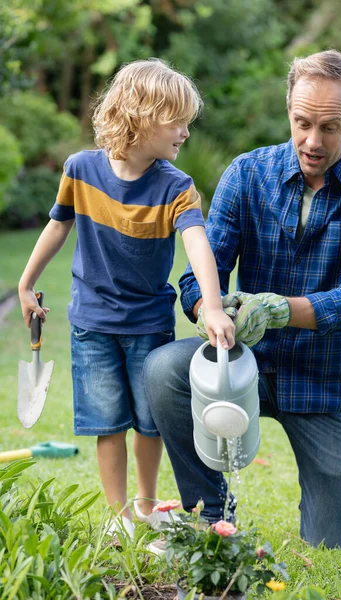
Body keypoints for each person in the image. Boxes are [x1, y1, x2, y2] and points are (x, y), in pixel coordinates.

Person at [143, 49, 341, 548]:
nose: (312, 140)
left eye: (330, 127)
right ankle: (209, 516)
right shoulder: (247, 175)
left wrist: (276, 308)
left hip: (331, 378)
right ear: (288, 109)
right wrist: (211, 310)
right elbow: (200, 277)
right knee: (165, 370)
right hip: (245, 366)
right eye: (302, 122)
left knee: (334, 540)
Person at [18, 58, 235, 540]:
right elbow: (58, 225)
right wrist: (25, 282)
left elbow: (197, 242)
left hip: (148, 323)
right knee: (106, 421)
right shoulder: (81, 169)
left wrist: (214, 306)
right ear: (141, 116)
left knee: (149, 422)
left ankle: (144, 503)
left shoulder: (176, 187)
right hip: (91, 322)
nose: (185, 132)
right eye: (176, 121)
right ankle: (117, 517)